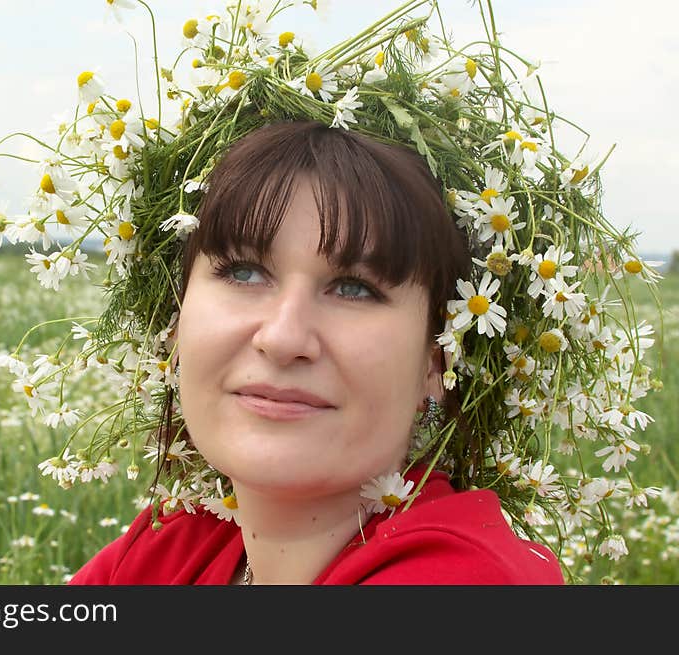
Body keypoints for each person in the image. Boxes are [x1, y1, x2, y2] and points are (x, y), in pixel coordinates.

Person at [67, 121, 564, 585]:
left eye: (353, 288)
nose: (283, 339)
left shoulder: (468, 579)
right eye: (243, 272)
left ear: (437, 362)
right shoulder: (164, 553)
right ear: (174, 327)